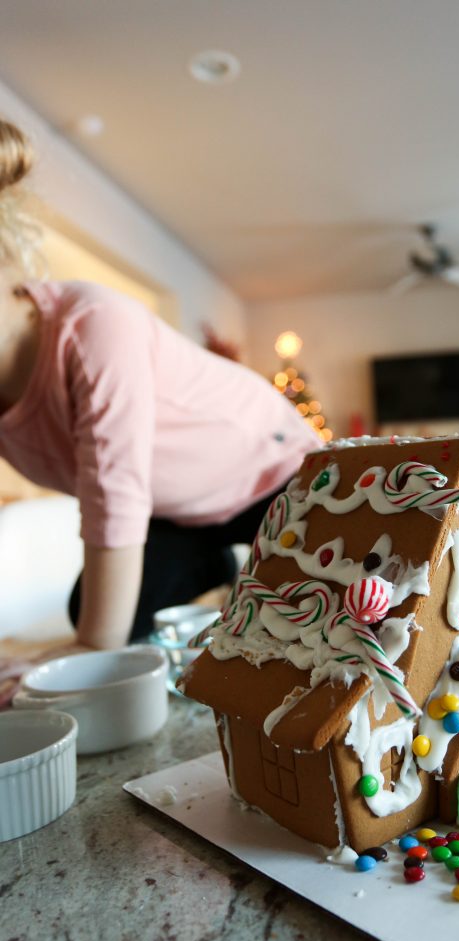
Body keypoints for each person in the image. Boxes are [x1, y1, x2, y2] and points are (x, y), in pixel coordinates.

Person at [0, 117, 320, 652]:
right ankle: (219, 559)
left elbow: (114, 499)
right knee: (94, 607)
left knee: (310, 605)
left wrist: (83, 670)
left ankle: (250, 559)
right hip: (178, 510)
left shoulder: (93, 325)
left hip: (273, 471)